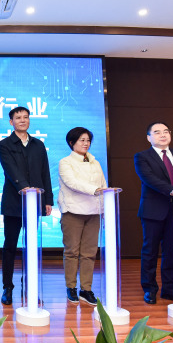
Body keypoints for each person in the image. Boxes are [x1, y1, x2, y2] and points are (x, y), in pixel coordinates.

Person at [134, 122, 173, 305]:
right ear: (148, 137)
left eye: (165, 131)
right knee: (150, 251)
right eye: (157, 132)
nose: (162, 135)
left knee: (172, 251)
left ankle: (169, 289)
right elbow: (149, 179)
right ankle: (149, 289)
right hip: (153, 211)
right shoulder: (142, 157)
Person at [0, 106, 53, 305]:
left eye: (26, 117)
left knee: (30, 246)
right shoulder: (4, 145)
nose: (22, 120)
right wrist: (25, 188)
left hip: (34, 203)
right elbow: (10, 170)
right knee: (10, 246)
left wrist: (47, 200)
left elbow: (45, 173)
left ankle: (29, 285)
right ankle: (8, 287)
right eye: (18, 117)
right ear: (11, 122)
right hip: (14, 203)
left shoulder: (38, 145)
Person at [58, 127, 106, 306]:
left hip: (93, 212)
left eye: (88, 140)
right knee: (72, 252)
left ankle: (86, 289)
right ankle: (71, 287)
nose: (86, 143)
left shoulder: (95, 162)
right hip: (73, 211)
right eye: (82, 140)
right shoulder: (65, 162)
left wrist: (104, 209)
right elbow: (72, 183)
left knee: (89, 253)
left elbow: (103, 185)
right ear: (72, 143)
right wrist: (95, 190)